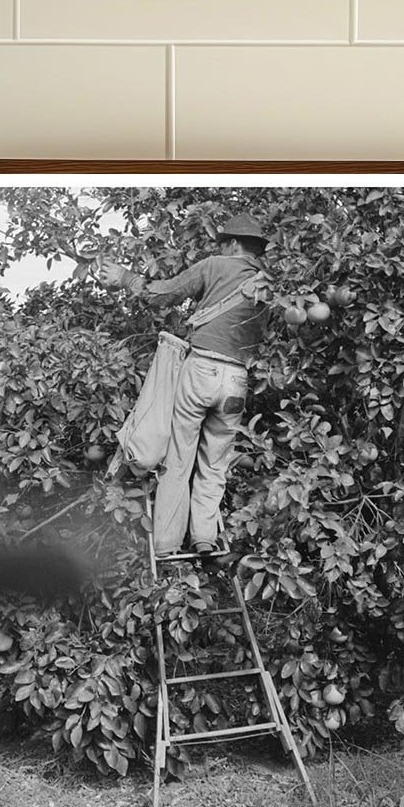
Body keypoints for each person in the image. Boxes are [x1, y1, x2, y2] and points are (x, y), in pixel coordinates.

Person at [98, 213, 270, 557]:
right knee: (215, 465)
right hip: (237, 380)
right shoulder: (268, 283)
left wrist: (125, 278)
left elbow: (163, 294)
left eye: (222, 244)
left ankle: (166, 542)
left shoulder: (215, 266)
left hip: (201, 369)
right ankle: (204, 537)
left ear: (232, 244)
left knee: (178, 459)